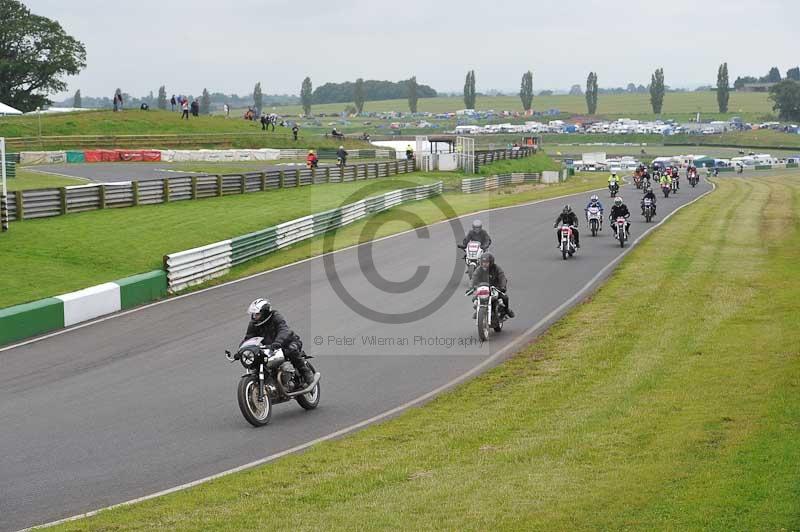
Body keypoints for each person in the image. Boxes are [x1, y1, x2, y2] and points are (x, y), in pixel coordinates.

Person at [242, 298, 314, 385]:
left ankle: (305, 372)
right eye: (253, 314)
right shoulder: (254, 324)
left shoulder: (276, 317)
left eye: (257, 314)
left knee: (291, 350)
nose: (254, 317)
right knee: (259, 361)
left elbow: (284, 330)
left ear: (265, 313)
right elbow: (248, 338)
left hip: (288, 342)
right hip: (271, 347)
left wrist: (278, 342)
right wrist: (242, 350)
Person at [469, 253, 515, 318]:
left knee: (505, 298)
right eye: (483, 262)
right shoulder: (479, 269)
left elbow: (502, 277)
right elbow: (474, 278)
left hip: (495, 288)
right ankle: (478, 311)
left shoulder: (496, 268)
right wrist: (472, 287)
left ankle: (506, 310)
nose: (484, 264)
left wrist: (502, 286)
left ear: (491, 262)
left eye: (486, 262)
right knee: (474, 299)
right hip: (483, 289)